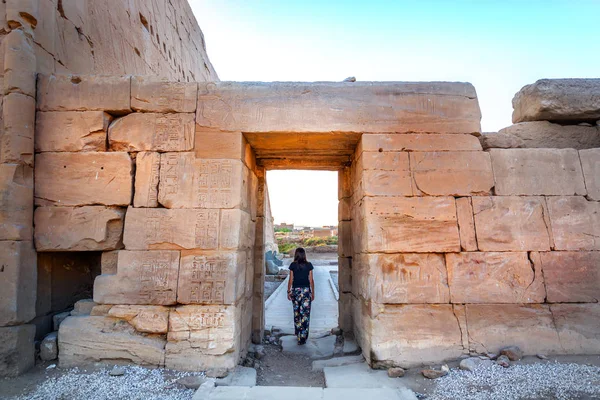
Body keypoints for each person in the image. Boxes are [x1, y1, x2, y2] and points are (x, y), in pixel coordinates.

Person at [287, 247, 315, 345]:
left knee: (297, 313)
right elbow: (311, 280)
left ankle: (298, 332)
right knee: (305, 314)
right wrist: (313, 292)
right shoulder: (309, 265)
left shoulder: (293, 265)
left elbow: (291, 279)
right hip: (306, 291)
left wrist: (288, 291)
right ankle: (303, 336)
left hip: (296, 291)